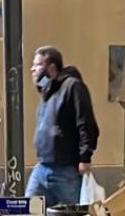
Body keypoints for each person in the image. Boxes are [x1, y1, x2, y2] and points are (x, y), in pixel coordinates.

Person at [27, 46, 100, 206]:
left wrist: (85, 157)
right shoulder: (47, 92)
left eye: (38, 65)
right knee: (28, 214)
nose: (32, 69)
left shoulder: (72, 87)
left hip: (65, 169)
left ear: (51, 68)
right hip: (42, 166)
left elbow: (85, 122)